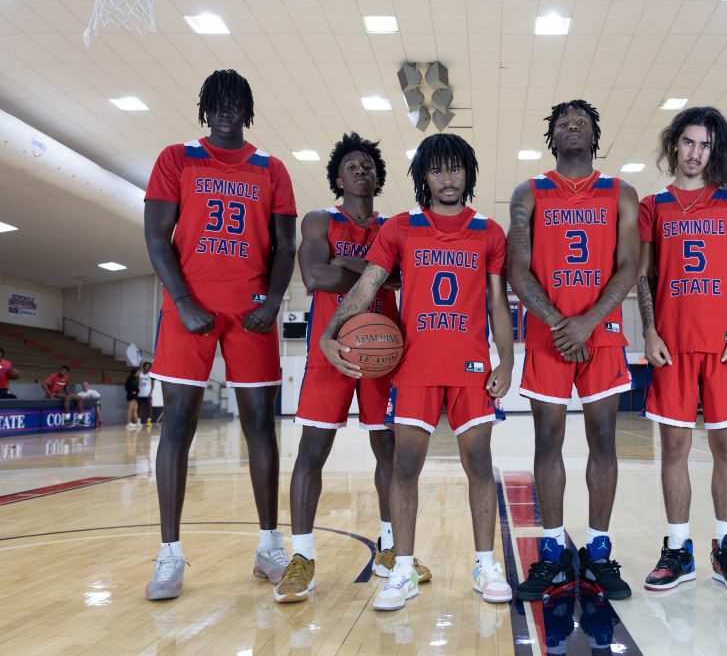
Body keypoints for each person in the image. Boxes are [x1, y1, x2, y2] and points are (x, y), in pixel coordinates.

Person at [320, 133, 514, 612]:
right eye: (437, 169)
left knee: (480, 466)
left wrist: (506, 358)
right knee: (405, 468)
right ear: (422, 176)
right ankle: (402, 569)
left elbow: (497, 303)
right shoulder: (402, 228)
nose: (447, 178)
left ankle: (485, 564)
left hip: (471, 367)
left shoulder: (488, 231)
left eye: (455, 169)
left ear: (468, 173)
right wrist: (329, 331)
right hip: (415, 367)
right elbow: (367, 286)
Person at [142, 68, 297, 601]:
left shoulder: (270, 168)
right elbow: (156, 237)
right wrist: (182, 301)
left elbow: (285, 247)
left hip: (251, 310)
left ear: (248, 109)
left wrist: (273, 303)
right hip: (191, 307)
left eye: (237, 101)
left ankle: (269, 545)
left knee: (261, 426)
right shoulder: (176, 158)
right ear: (206, 107)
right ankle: (169, 554)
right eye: (219, 101)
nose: (228, 109)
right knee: (177, 422)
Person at [273, 132, 430, 604]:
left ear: (379, 177)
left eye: (368, 165)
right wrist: (374, 269)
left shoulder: (397, 226)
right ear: (337, 177)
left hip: (383, 354)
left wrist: (348, 262)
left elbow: (405, 277)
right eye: (351, 166)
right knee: (311, 452)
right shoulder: (319, 219)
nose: (361, 170)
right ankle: (301, 557)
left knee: (390, 454)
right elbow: (315, 276)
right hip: (332, 351)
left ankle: (388, 550)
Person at [507, 100, 639, 602]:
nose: (572, 126)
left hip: (599, 333)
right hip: (549, 334)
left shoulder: (620, 192)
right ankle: (552, 551)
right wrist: (561, 324)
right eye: (563, 122)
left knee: (604, 438)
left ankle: (598, 550)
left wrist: (587, 322)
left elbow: (629, 265)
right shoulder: (530, 192)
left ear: (594, 133)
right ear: (553, 136)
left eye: (581, 121)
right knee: (548, 441)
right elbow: (517, 266)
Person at [636, 106, 727, 594]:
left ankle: (726, 546)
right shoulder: (654, 205)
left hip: (724, 344)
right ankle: (678, 547)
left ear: (717, 149)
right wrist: (649, 330)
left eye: (705, 144)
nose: (695, 152)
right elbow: (645, 277)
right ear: (674, 145)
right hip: (671, 345)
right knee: (674, 449)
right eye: (688, 142)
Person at [138, 362, 154, 428]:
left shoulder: (150, 374)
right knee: (139, 408)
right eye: (145, 366)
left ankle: (149, 421)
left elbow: (153, 385)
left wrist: (150, 393)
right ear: (143, 366)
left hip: (148, 394)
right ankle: (138, 421)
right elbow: (137, 382)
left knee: (149, 408)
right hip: (140, 394)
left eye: (148, 366)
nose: (146, 367)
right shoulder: (140, 374)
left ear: (150, 367)